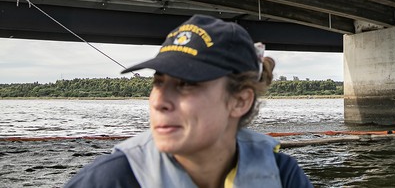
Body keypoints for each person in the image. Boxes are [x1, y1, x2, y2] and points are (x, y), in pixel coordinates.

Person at [64, 14, 314, 188]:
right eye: (158, 82)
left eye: (186, 83)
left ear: (240, 101)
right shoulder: (109, 180)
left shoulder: (283, 175)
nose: (159, 101)